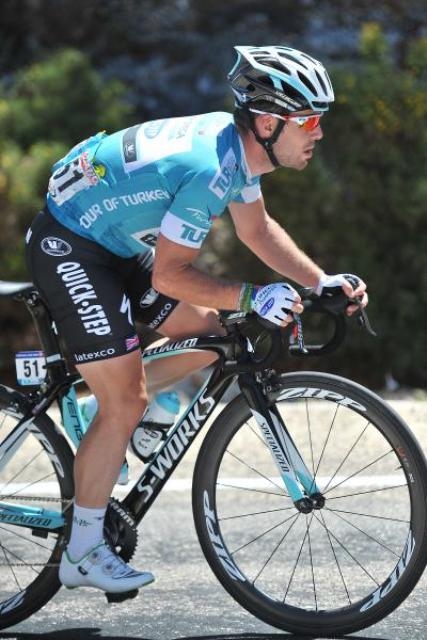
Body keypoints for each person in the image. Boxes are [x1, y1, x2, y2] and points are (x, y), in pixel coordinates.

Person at [25, 45, 368, 596]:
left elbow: (257, 231)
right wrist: (253, 296)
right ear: (268, 123)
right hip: (71, 246)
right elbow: (169, 277)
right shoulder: (209, 170)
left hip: (112, 242)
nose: (319, 133)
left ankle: (103, 412)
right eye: (308, 121)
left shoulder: (238, 151)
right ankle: (83, 550)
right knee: (127, 399)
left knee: (209, 334)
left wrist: (319, 280)